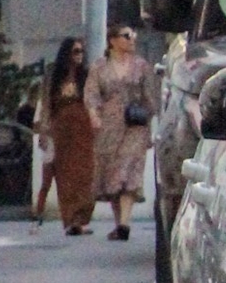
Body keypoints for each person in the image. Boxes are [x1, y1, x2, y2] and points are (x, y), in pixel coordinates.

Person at [89, 23, 153, 241]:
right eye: (127, 36)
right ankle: (120, 225)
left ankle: (125, 222)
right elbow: (91, 95)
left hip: (135, 125)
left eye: (133, 35)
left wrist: (149, 119)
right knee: (113, 176)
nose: (132, 40)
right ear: (113, 40)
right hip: (108, 127)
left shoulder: (142, 66)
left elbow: (150, 96)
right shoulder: (99, 67)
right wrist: (94, 116)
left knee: (128, 170)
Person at [34, 34, 97, 234]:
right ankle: (71, 220)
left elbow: (94, 102)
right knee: (65, 174)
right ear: (67, 53)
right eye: (76, 51)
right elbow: (46, 104)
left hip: (83, 126)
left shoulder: (86, 75)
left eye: (81, 51)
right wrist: (44, 130)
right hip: (61, 126)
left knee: (85, 173)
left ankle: (82, 218)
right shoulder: (54, 75)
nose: (79, 55)